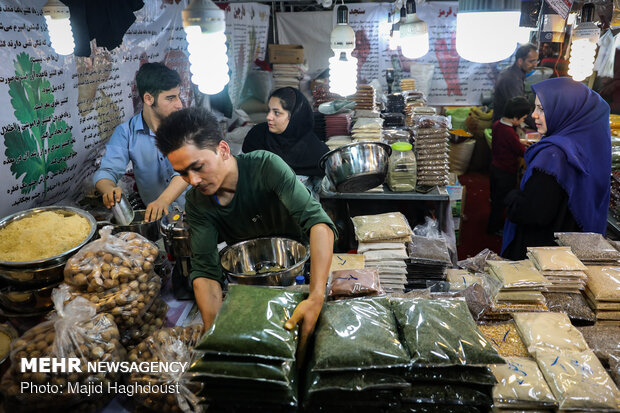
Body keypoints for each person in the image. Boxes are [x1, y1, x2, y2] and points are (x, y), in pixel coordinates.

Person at [155, 107, 336, 357]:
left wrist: (316, 296)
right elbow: (206, 272)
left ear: (223, 150)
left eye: (198, 167)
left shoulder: (265, 167)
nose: (193, 181)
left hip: (304, 275)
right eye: (183, 173)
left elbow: (318, 224)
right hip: (250, 288)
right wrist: (216, 335)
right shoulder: (198, 203)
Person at [501, 77, 611, 260]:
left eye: (542, 109)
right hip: (568, 255)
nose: (534, 115)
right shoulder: (585, 148)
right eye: (535, 107)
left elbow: (534, 213)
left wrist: (512, 198)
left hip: (540, 255)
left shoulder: (553, 156)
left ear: (566, 111)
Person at [93, 62, 188, 222]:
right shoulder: (126, 133)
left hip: (196, 214)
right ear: (149, 99)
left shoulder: (187, 126)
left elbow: (186, 171)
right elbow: (106, 172)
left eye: (178, 96)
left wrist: (163, 200)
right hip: (158, 221)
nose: (179, 104)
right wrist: (109, 189)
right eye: (171, 98)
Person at [242, 87, 329, 179]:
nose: (268, 117)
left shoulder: (316, 151)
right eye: (269, 110)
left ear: (294, 117)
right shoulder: (256, 137)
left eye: (276, 113)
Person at [486, 96, 532, 236]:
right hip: (506, 172)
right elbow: (520, 151)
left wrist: (520, 141)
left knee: (495, 199)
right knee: (502, 202)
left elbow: (507, 143)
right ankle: (494, 229)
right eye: (523, 118)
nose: (523, 121)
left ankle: (493, 224)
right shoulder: (509, 132)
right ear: (515, 118)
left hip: (495, 168)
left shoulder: (498, 125)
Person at [492, 43, 538, 125]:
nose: (535, 65)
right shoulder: (512, 79)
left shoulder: (512, 73)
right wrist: (539, 126)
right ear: (520, 61)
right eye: (531, 61)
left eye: (536, 61)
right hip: (504, 127)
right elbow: (520, 109)